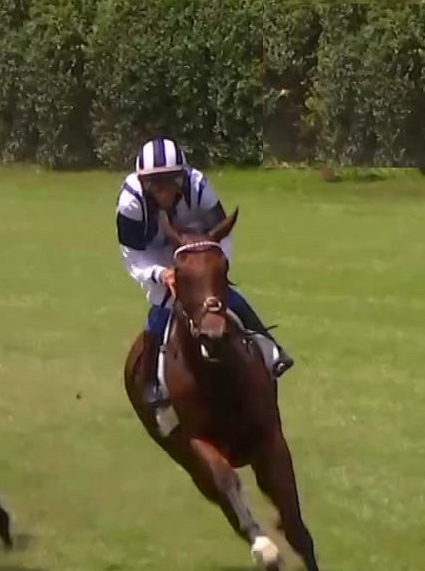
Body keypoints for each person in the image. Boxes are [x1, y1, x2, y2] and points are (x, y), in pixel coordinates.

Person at [117, 137, 293, 406]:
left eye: (170, 181)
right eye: (154, 183)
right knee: (162, 302)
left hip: (200, 248)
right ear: (143, 182)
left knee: (223, 296)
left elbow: (222, 233)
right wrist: (160, 274)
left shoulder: (198, 186)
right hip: (156, 254)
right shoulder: (130, 202)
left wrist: (213, 271)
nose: (162, 190)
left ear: (182, 177)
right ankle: (152, 380)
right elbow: (132, 255)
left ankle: (271, 349)